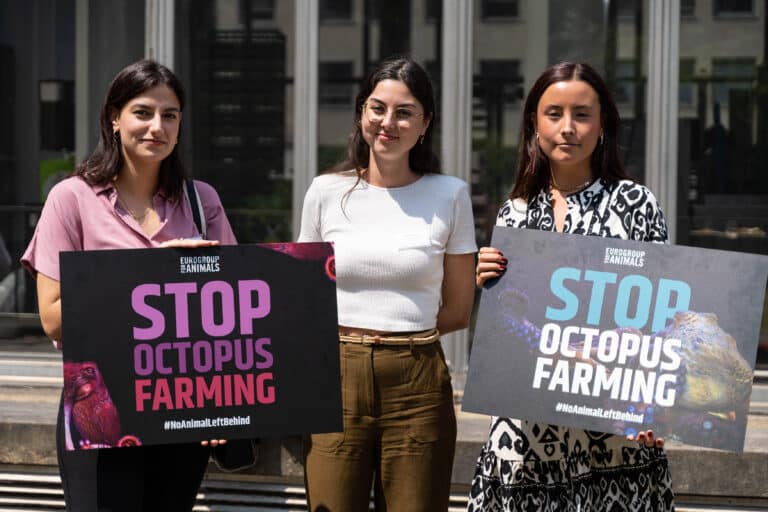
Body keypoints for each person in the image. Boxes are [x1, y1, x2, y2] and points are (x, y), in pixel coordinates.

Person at [22, 59, 237, 511]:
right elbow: (54, 319)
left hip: (183, 403)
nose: (157, 126)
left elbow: (231, 312)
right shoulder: (71, 198)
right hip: (99, 402)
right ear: (114, 118)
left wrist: (223, 402)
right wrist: (148, 274)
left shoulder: (202, 202)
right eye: (142, 112)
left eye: (170, 115)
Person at [468, 62, 675, 511]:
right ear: (534, 124)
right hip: (527, 440)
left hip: (613, 437)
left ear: (603, 125)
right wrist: (487, 281)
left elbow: (658, 318)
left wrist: (655, 405)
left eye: (581, 114)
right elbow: (507, 329)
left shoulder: (635, 204)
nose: (567, 128)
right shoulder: (514, 213)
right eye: (554, 114)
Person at [298, 56, 477, 511]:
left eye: (404, 112)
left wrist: (398, 338)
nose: (388, 122)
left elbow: (459, 310)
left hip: (418, 378)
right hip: (336, 374)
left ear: (426, 123)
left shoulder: (450, 194)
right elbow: (303, 297)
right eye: (377, 108)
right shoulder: (324, 191)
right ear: (361, 112)